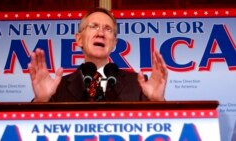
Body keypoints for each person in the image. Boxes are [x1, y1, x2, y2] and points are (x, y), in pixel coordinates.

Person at [28, 7, 168, 102]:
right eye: (94, 26)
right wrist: (40, 101)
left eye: (107, 29)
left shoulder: (137, 84)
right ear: (79, 39)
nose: (100, 33)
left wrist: (158, 102)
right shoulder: (56, 88)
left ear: (114, 43)